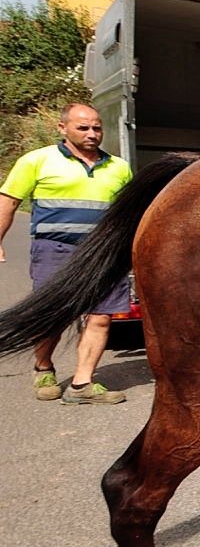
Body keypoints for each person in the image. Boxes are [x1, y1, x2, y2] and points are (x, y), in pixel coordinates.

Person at [0, 103, 134, 404]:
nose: (92, 134)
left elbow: (128, 212)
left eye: (97, 128)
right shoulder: (37, 160)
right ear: (63, 128)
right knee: (52, 316)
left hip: (103, 253)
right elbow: (7, 203)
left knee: (100, 318)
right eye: (83, 128)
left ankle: (81, 384)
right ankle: (43, 366)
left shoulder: (119, 166)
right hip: (55, 249)